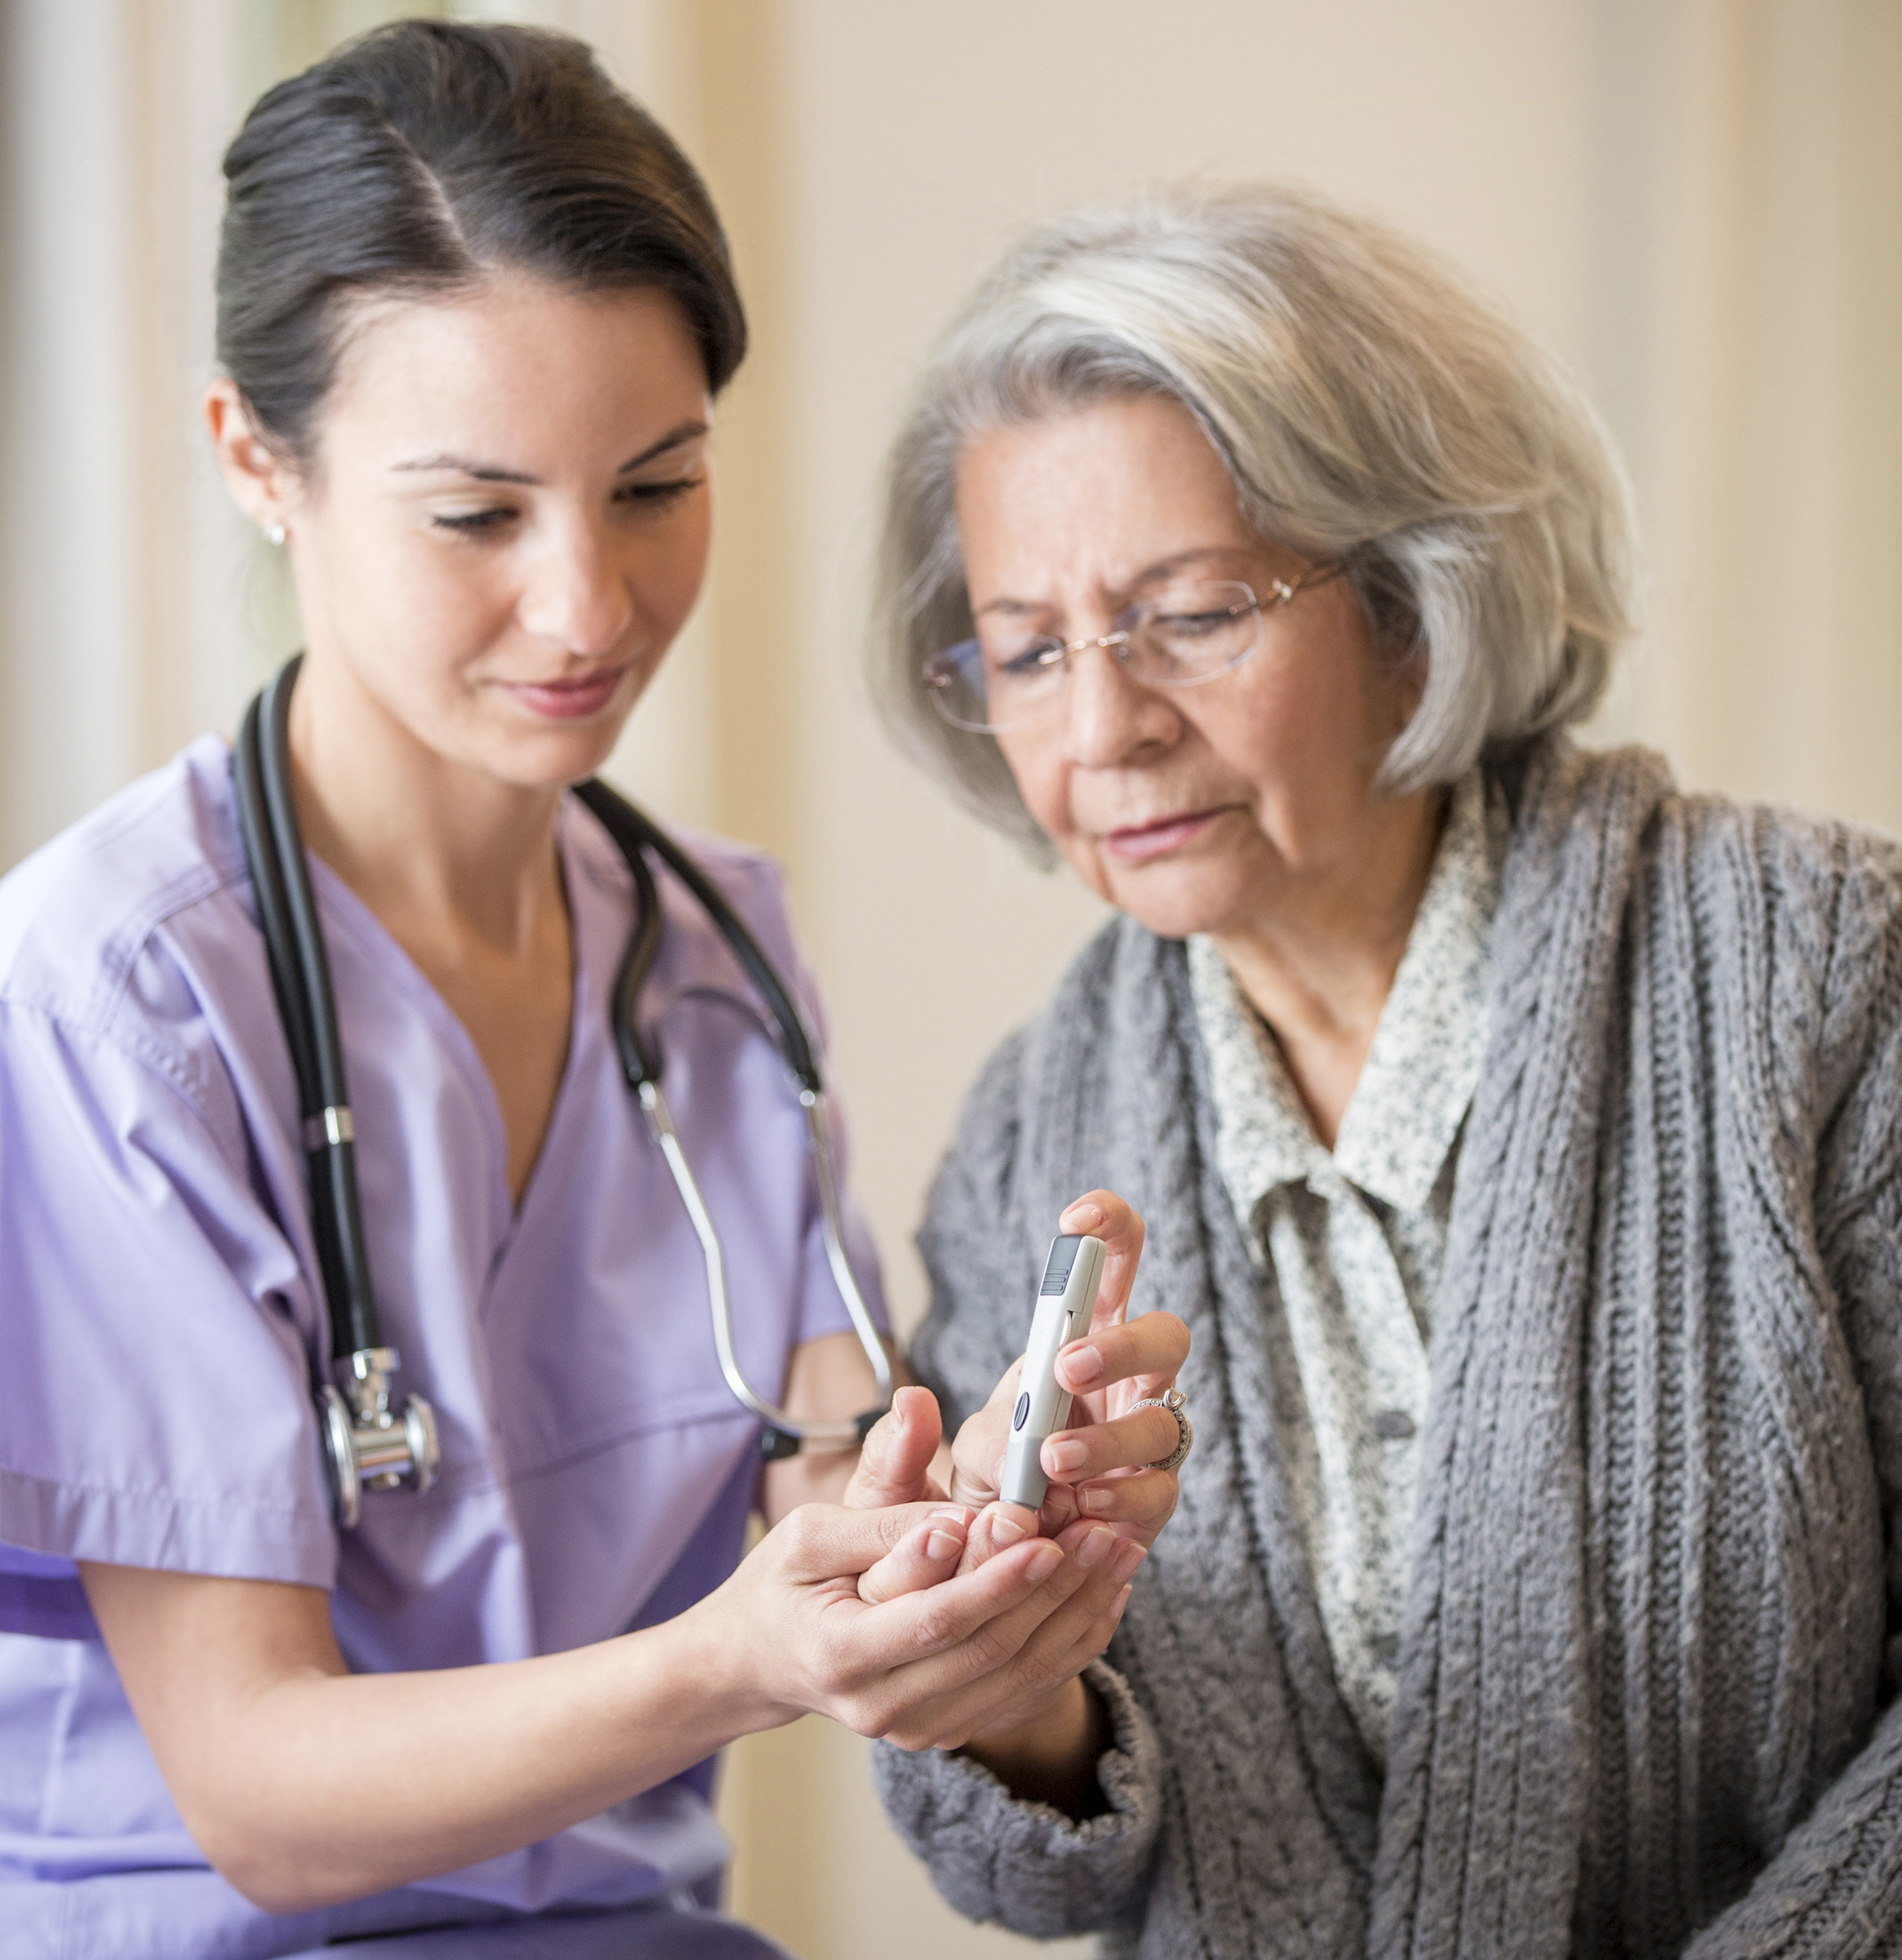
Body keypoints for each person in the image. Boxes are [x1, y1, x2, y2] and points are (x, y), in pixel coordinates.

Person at [0, 24, 1188, 1958]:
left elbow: (834, 1475)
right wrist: (738, 1656)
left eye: (655, 485)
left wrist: (978, 1514)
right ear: (257, 460)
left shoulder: (714, 956)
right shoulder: (118, 1000)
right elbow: (262, 1791)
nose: (589, 605)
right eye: (478, 514)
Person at [866, 180, 1902, 1958]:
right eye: (1028, 649)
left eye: (1189, 614)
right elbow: (1037, 1866)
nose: (1103, 726)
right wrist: (996, 1663)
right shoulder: (1028, 1140)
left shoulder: (1821, 967)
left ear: (1412, 603)